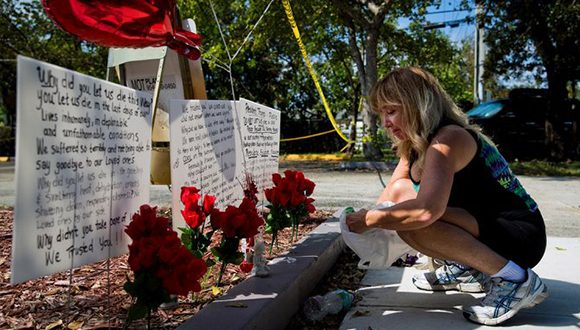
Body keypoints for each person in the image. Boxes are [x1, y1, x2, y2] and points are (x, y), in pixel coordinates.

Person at [346, 67, 548, 326]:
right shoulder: (416, 145)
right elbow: (392, 193)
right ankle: (470, 268)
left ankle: (515, 281)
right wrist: (369, 228)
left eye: (391, 111)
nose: (385, 122)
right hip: (486, 225)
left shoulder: (448, 139)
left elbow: (425, 211)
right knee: (398, 209)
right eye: (382, 113)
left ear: (416, 104)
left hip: (520, 234)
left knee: (414, 223)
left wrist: (372, 219)